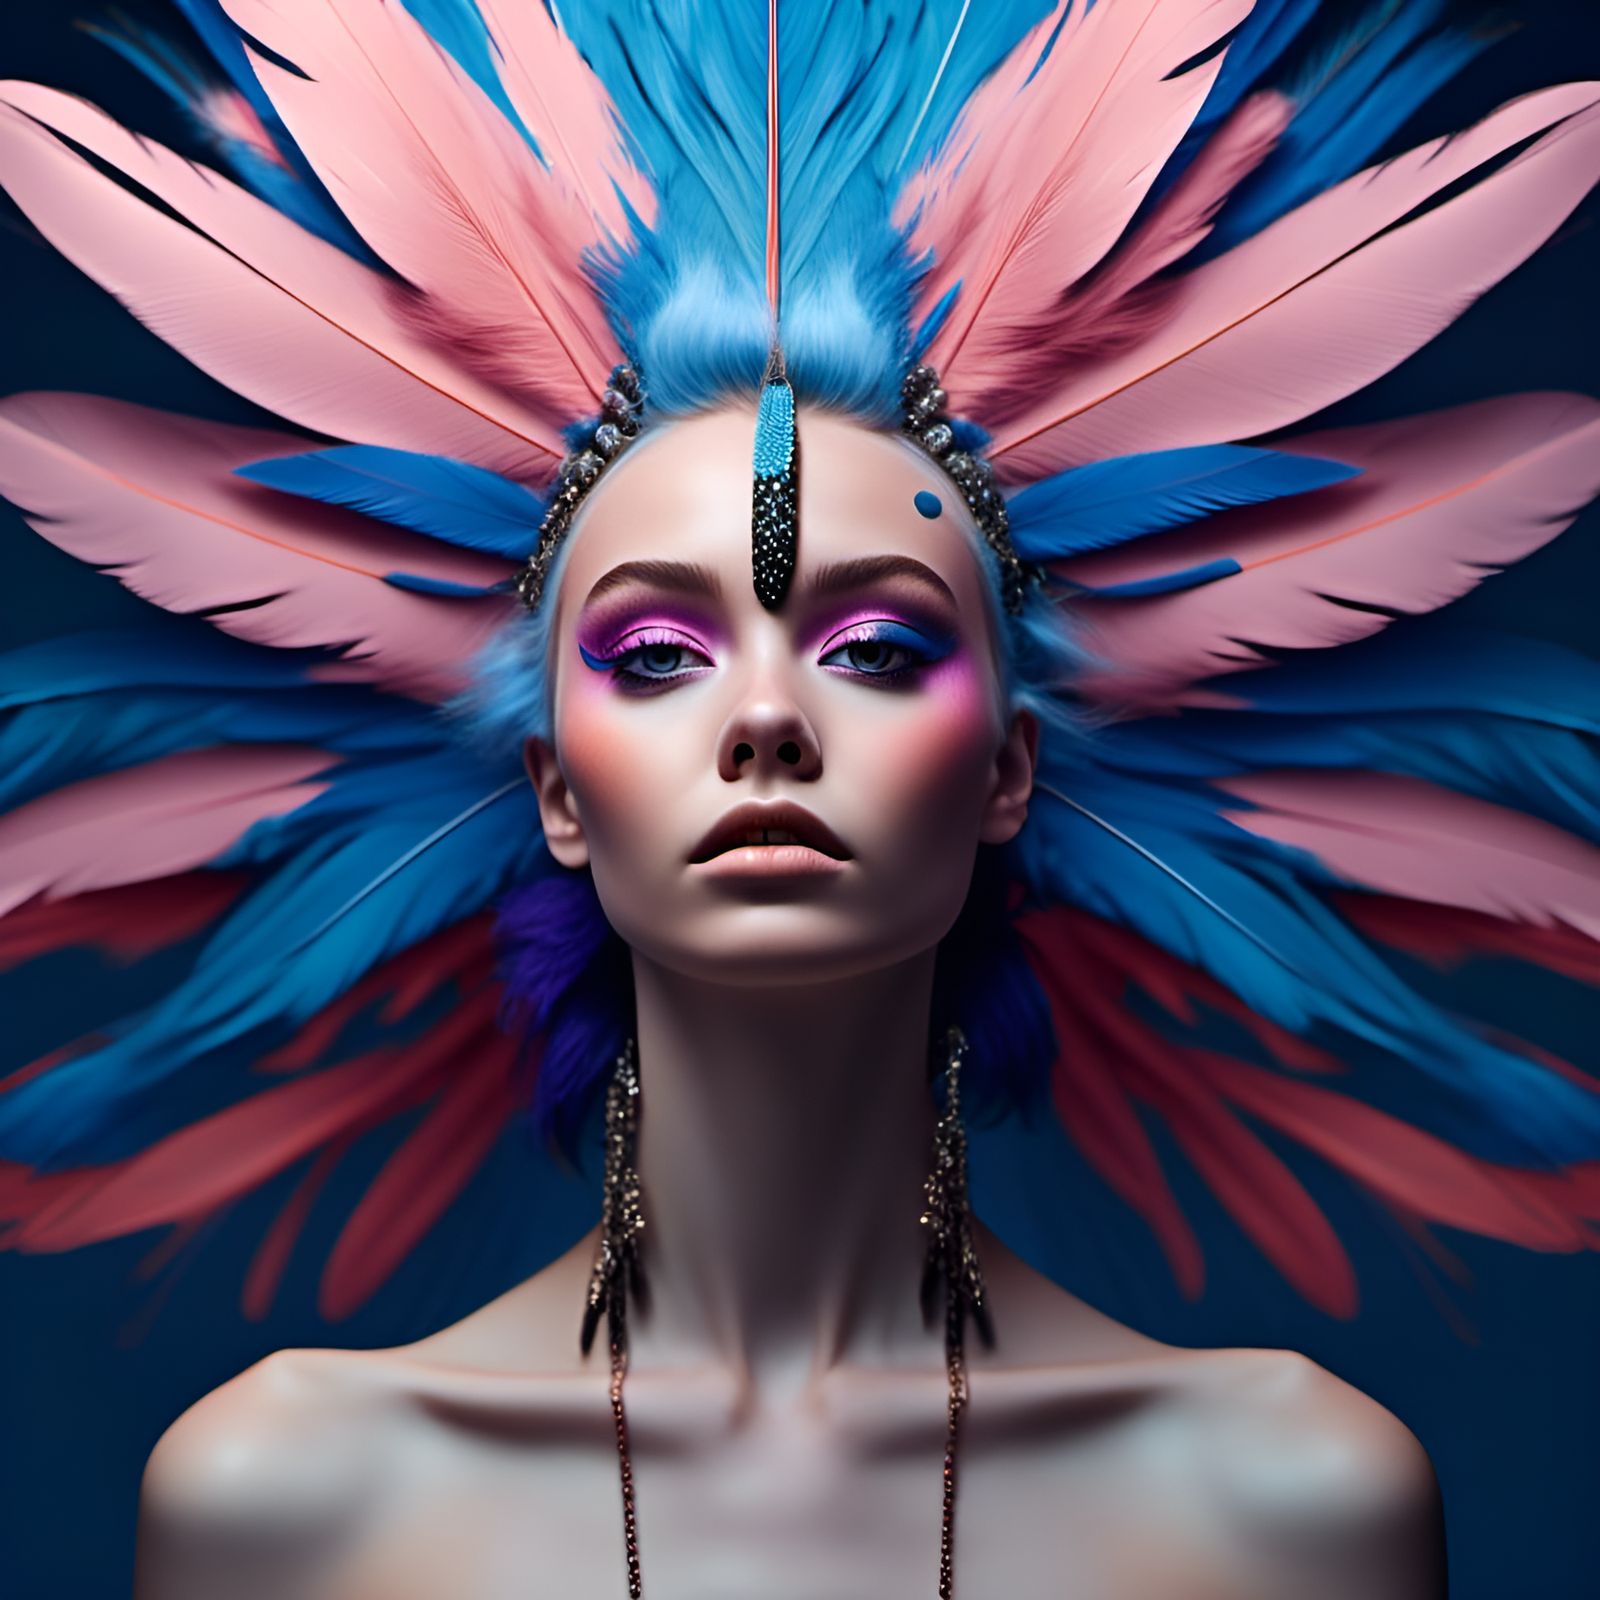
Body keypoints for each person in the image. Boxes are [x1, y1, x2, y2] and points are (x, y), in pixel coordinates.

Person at [0, 1, 1595, 1595]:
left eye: (878, 644)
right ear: (555, 787)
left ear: (1009, 771)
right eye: (656, 651)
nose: (766, 716)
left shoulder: (1287, 1510)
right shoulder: (289, 1507)